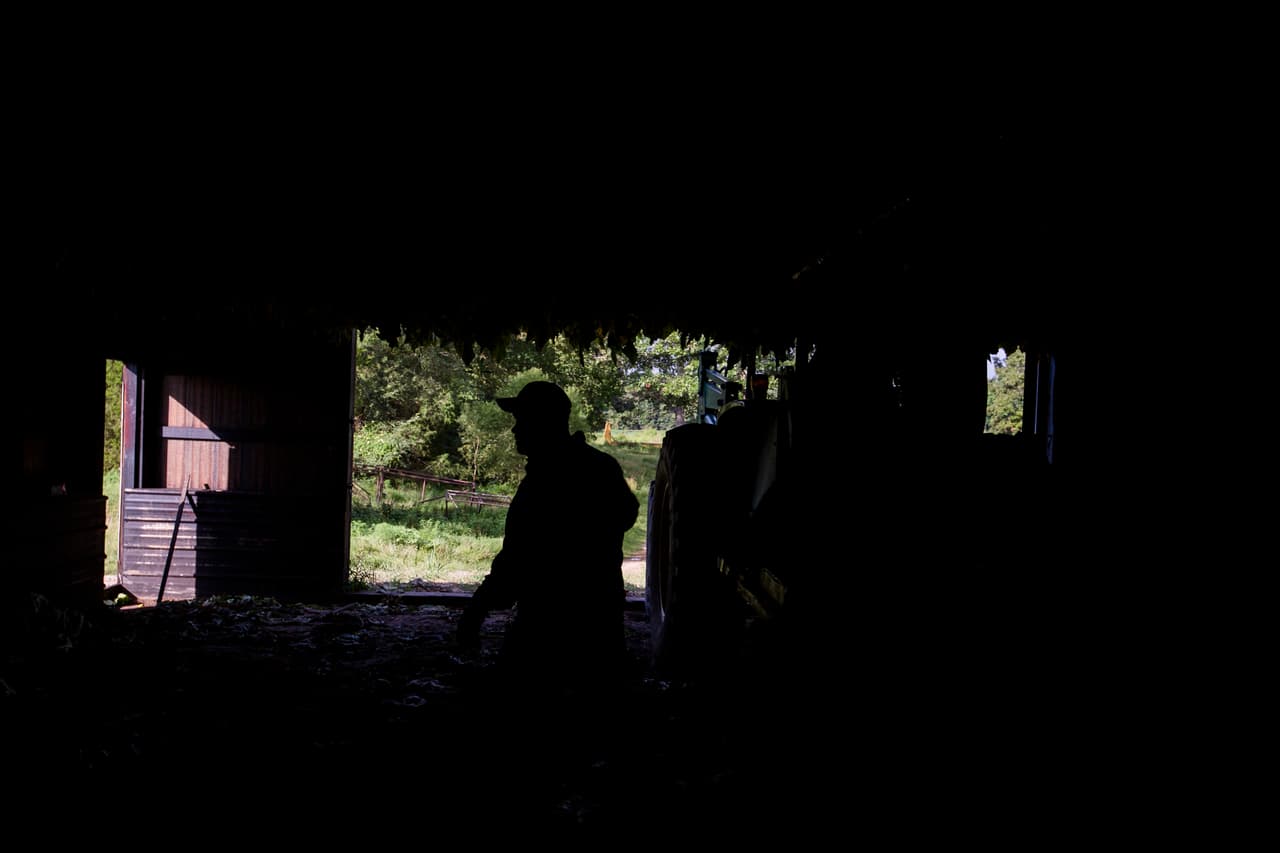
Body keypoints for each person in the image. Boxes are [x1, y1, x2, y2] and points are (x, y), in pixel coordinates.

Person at [456, 381, 639, 685]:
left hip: (546, 622)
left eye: (521, 420)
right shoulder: (602, 466)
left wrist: (475, 612)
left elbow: (516, 561)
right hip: (600, 619)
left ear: (541, 422)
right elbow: (627, 514)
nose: (515, 429)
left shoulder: (542, 482)